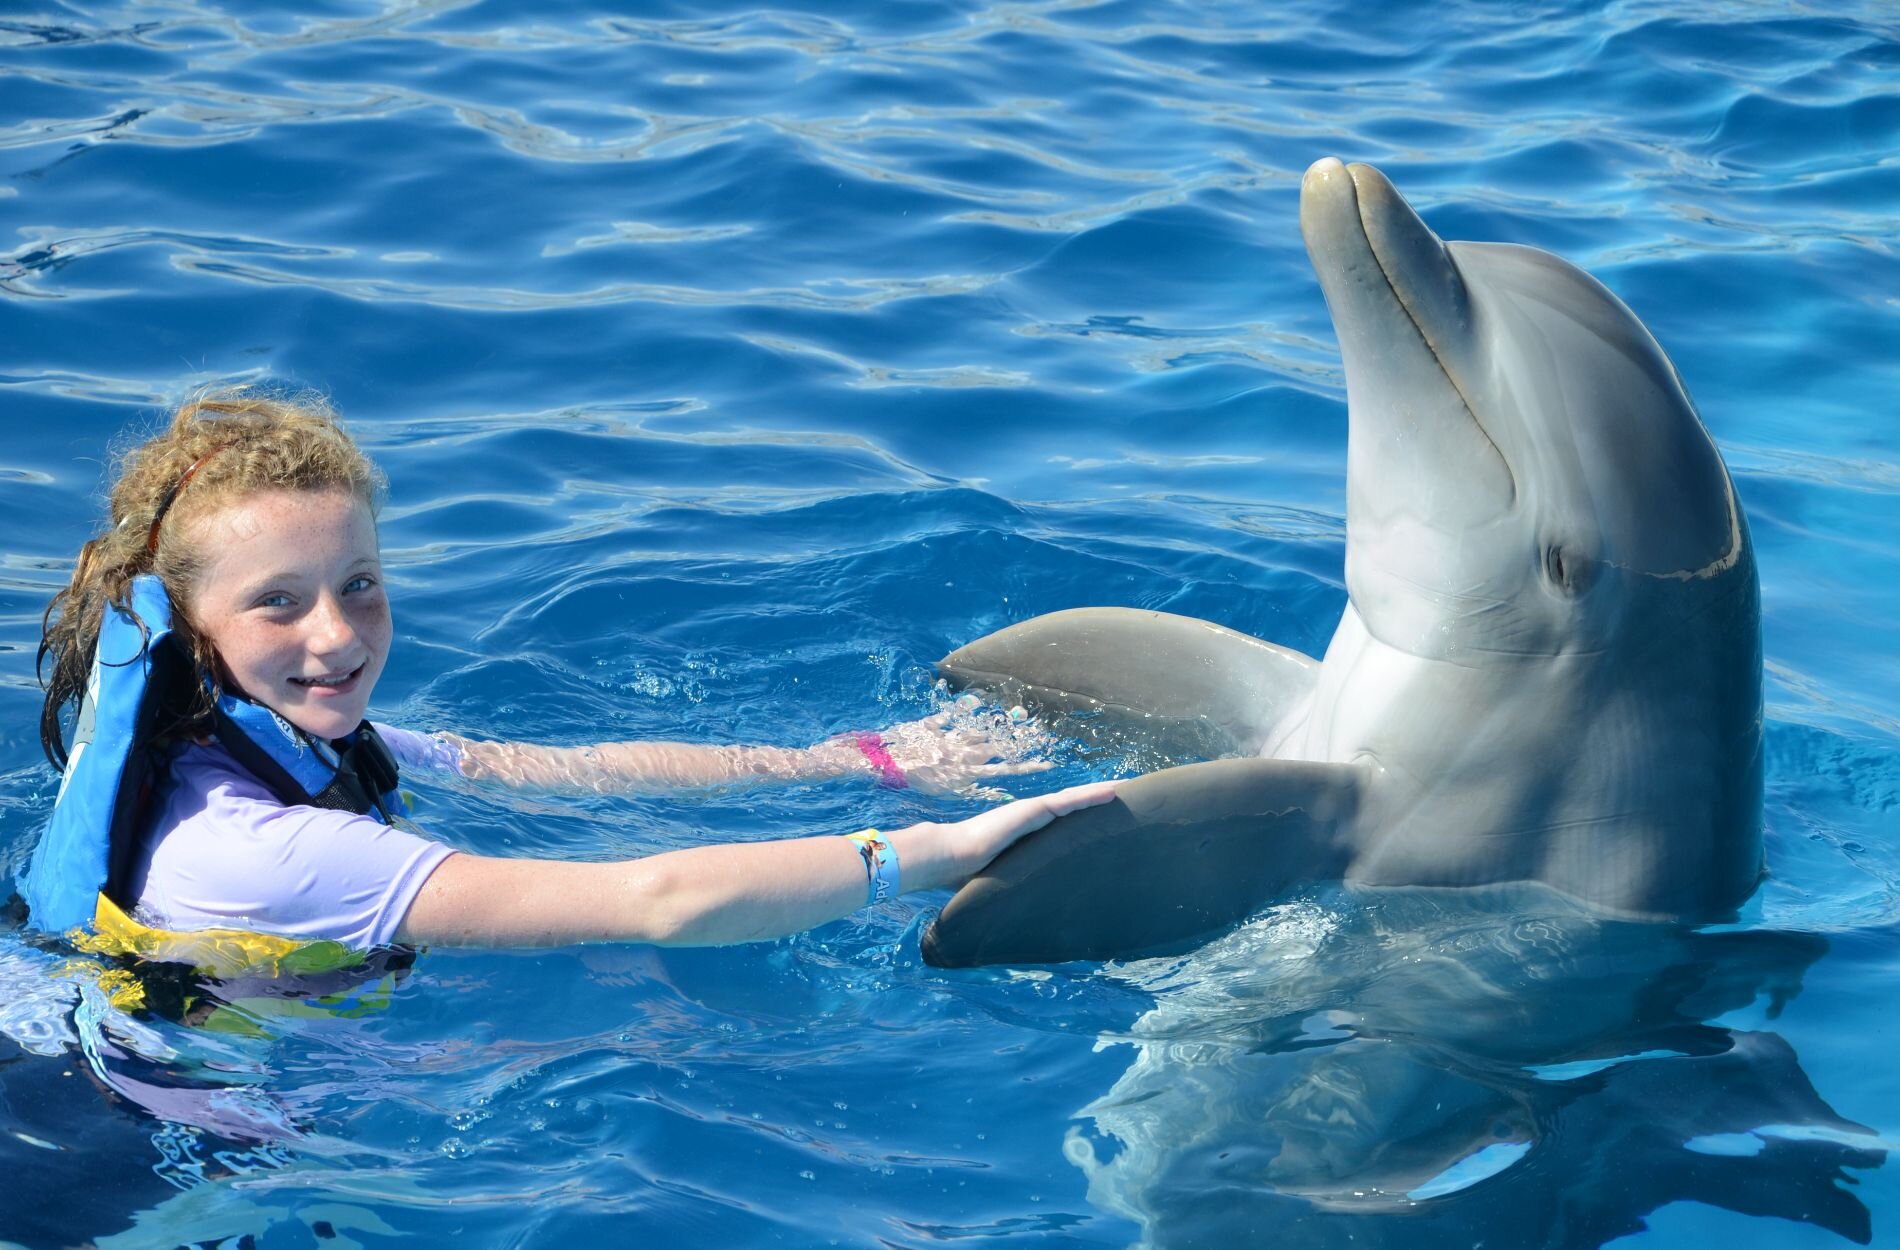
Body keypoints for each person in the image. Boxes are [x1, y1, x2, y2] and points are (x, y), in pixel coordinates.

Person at [26, 390, 1115, 961]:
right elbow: (655, 900)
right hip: (130, 1178)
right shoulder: (270, 845)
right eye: (278, 599)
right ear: (185, 625)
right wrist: (940, 853)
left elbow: (544, 764)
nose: (337, 634)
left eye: (359, 581)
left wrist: (849, 760)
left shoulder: (270, 743)